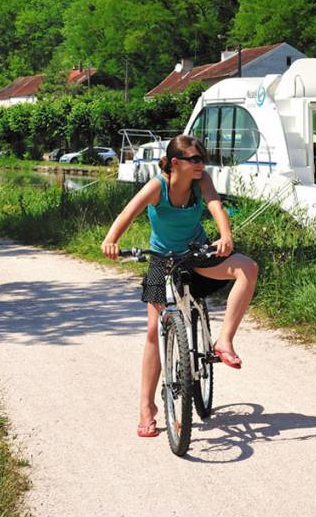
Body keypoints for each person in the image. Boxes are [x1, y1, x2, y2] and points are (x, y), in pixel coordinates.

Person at [101, 135, 258, 438]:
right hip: (161, 261)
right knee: (152, 330)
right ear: (176, 163)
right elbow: (126, 214)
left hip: (196, 254)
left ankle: (223, 341)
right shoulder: (156, 187)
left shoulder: (203, 182)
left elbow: (216, 206)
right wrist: (111, 240)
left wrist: (225, 235)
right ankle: (147, 408)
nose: (202, 164)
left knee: (248, 269)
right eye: (195, 159)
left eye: (203, 159)